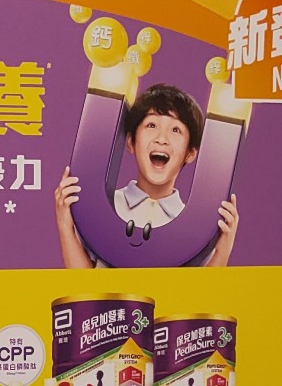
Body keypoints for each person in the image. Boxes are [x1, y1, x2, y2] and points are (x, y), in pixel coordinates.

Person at [54, 81, 239, 270]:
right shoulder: (102, 206)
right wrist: (64, 225)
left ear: (190, 153)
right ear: (131, 142)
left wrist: (223, 249)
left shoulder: (197, 226)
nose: (162, 139)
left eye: (176, 130)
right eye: (152, 125)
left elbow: (201, 288)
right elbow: (84, 281)